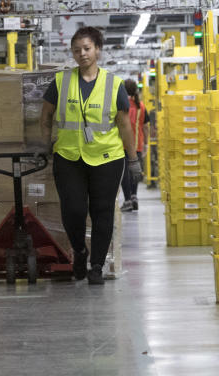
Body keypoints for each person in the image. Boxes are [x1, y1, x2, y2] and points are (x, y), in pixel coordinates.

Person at [39, 26, 142, 285]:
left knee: (102, 211)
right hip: (68, 156)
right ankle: (80, 251)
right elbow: (45, 116)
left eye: (86, 48)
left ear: (97, 50)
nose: (82, 54)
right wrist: (44, 145)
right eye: (76, 50)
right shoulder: (62, 81)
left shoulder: (113, 83)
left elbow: (124, 124)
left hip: (107, 157)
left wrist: (132, 159)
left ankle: (96, 265)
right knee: (73, 209)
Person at [120, 78, 149, 212]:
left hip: (122, 144)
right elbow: (146, 126)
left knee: (124, 172)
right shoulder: (141, 106)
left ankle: (127, 201)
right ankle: (134, 196)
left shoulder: (121, 104)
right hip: (137, 143)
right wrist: (146, 144)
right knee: (134, 172)